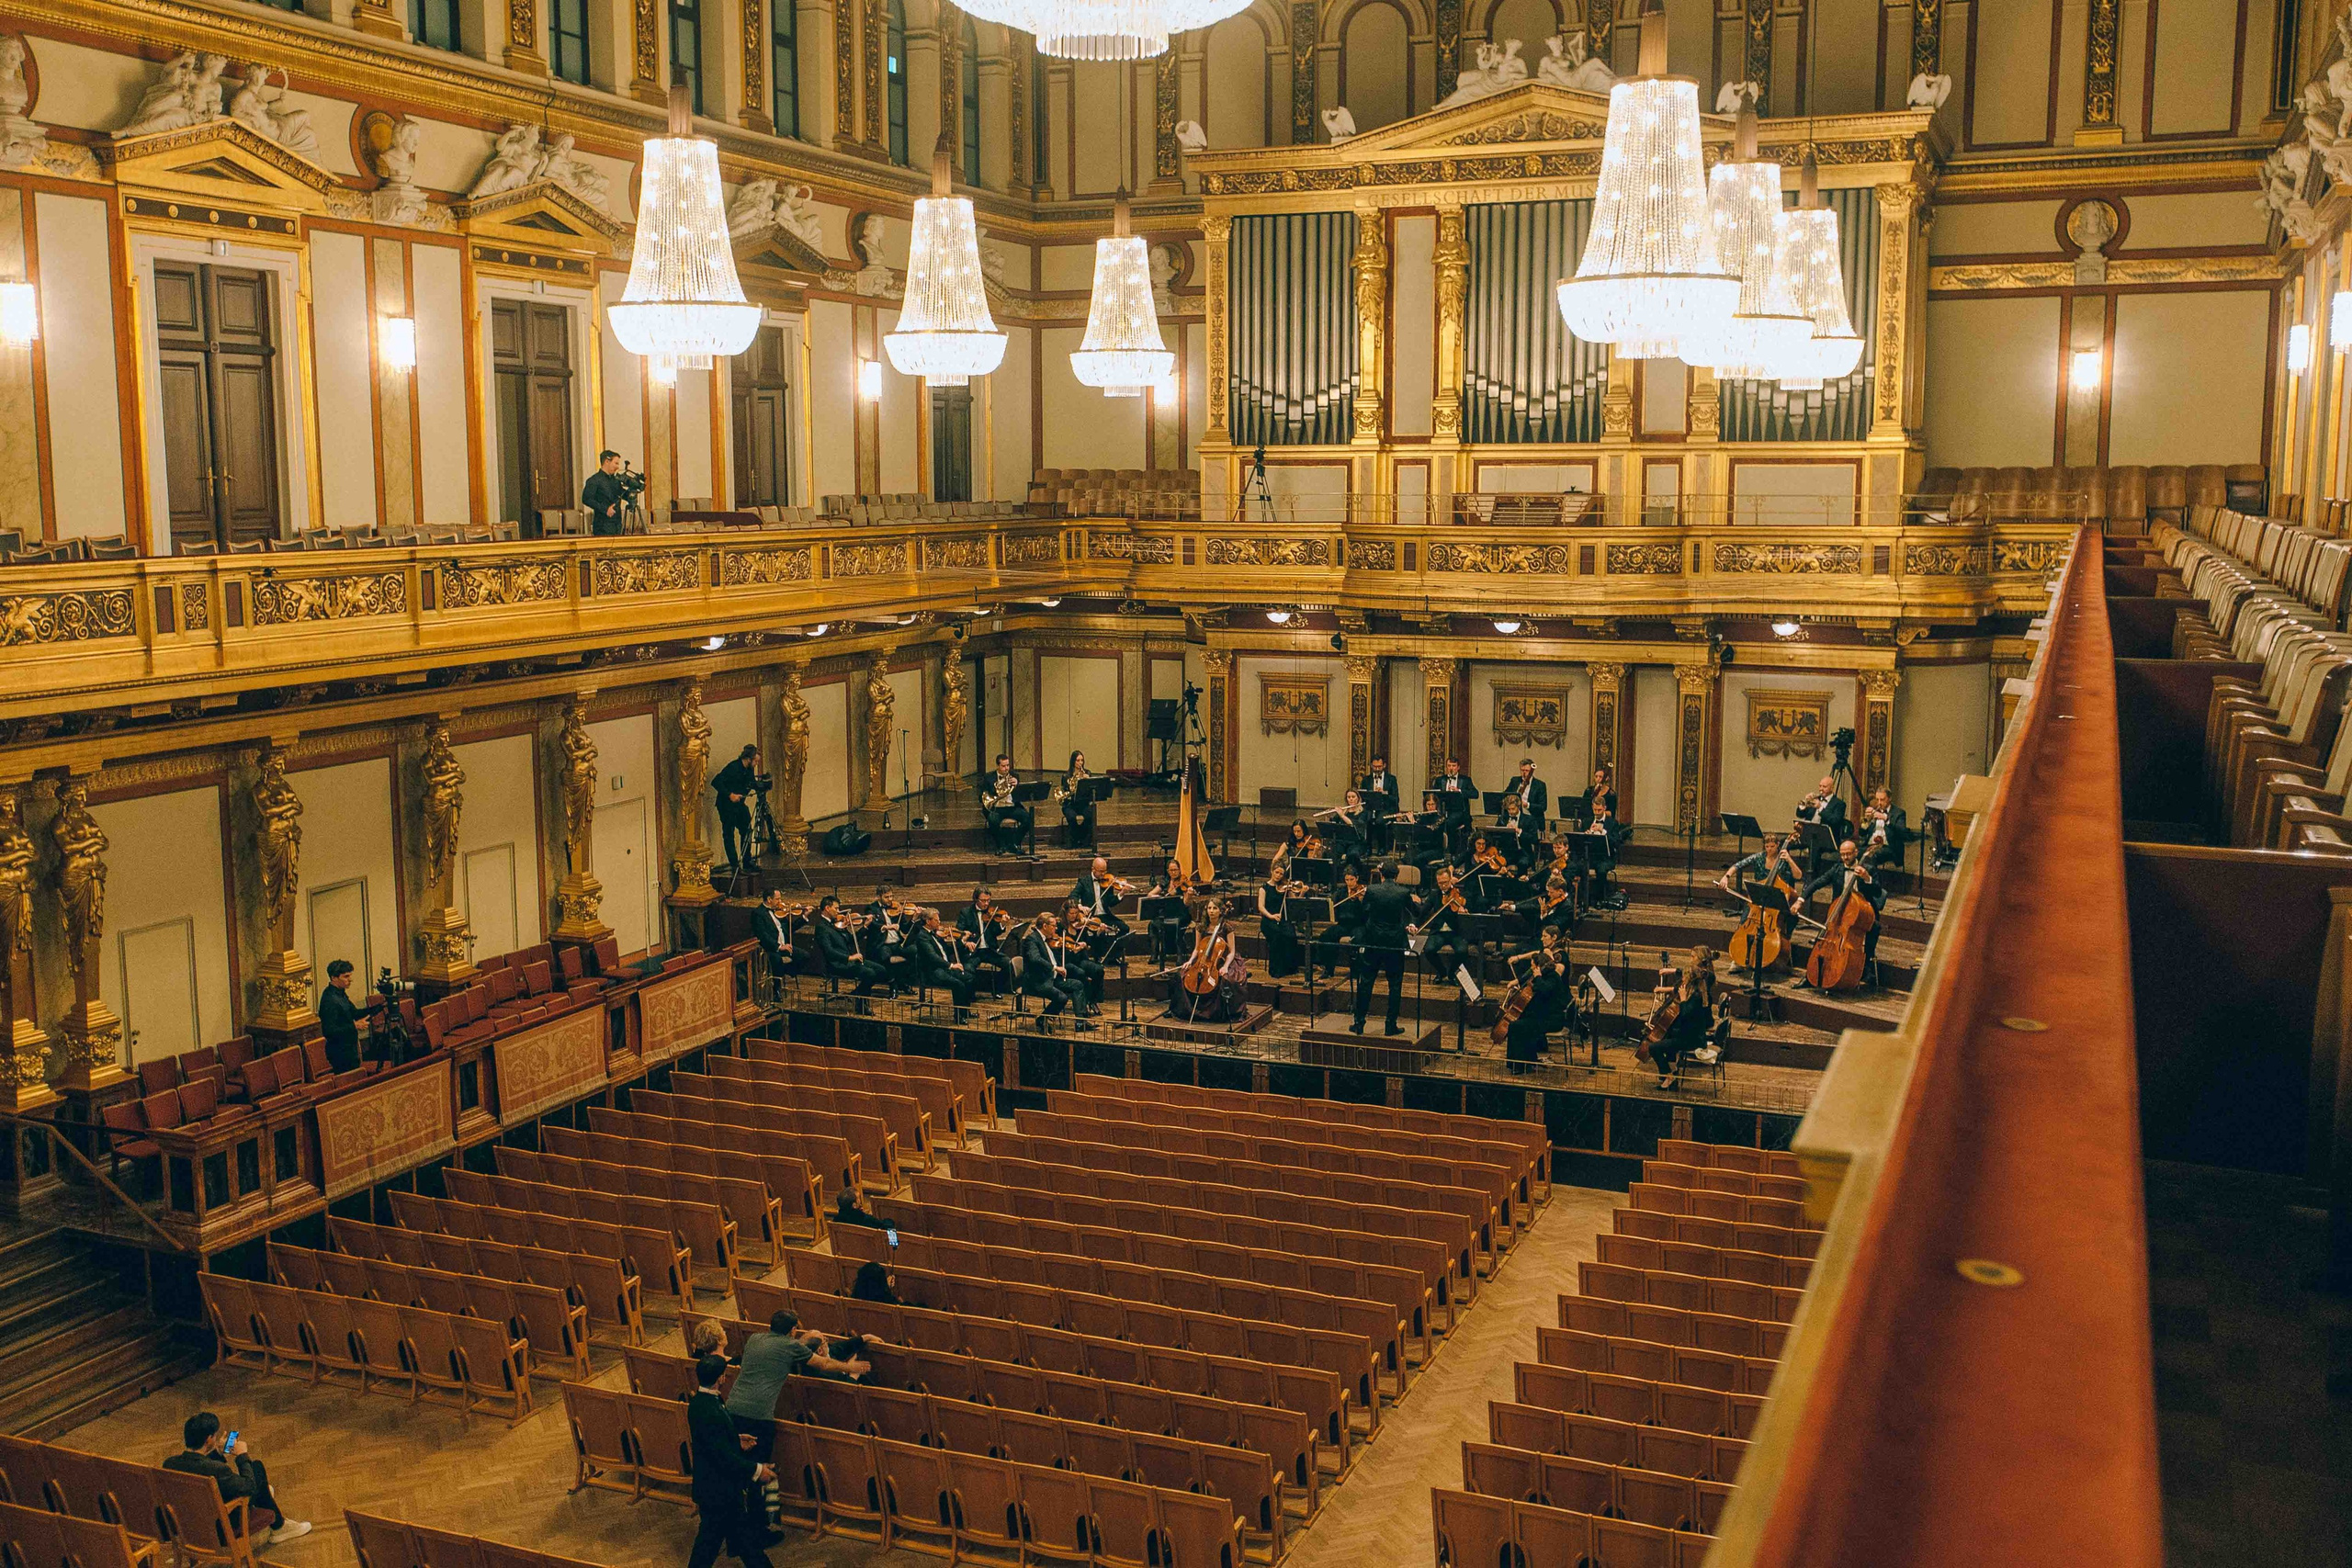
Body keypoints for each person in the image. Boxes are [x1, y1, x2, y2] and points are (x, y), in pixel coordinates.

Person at [164, 1414, 310, 1547]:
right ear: (209, 1439)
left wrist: (218, 1453)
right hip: (220, 1526)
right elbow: (249, 1487)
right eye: (214, 1436)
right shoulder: (218, 1470)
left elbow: (197, 1466)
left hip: (188, 1524)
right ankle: (279, 1526)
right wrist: (242, 1456)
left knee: (260, 1485)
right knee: (256, 1469)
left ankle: (271, 1508)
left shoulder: (170, 1464)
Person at [691, 1355, 777, 1568]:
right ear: (721, 1378)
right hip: (719, 1492)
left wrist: (735, 1440)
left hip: (717, 1490)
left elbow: (712, 1441)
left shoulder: (700, 1402)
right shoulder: (710, 1408)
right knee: (709, 1546)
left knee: (744, 1543)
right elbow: (722, 1456)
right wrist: (758, 1470)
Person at [1799, 839, 1887, 981]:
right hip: (1840, 912)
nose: (1845, 858)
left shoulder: (1869, 868)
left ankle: (1867, 966)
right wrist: (1801, 899)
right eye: (1842, 855)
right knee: (1823, 934)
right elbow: (1817, 883)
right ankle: (1810, 976)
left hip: (1864, 912)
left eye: (1848, 854)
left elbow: (1878, 892)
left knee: (1875, 928)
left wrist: (1867, 878)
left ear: (1856, 853)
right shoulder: (1837, 869)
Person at [1350, 860, 1414, 1036]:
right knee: (1395, 985)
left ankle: (1359, 1023)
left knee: (1366, 982)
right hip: (1394, 942)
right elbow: (1414, 911)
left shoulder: (1372, 890)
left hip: (1373, 941)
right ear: (1397, 875)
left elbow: (1364, 912)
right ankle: (1390, 1025)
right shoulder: (1403, 892)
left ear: (1382, 875)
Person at [1506, 927, 1571, 1072]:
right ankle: (1522, 1062)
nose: (1532, 970)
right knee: (1517, 1023)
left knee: (1518, 1026)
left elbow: (1545, 990)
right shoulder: (1544, 974)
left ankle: (1522, 1065)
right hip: (1544, 1015)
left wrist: (1538, 977)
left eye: (1533, 968)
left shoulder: (1552, 977)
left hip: (1553, 1019)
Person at [811, 896, 891, 997]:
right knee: (869, 973)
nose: (838, 911)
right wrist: (849, 957)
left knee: (881, 970)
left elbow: (850, 940)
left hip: (849, 961)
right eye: (836, 908)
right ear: (827, 908)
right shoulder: (821, 927)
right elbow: (829, 951)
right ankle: (861, 1003)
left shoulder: (836, 924)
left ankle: (856, 994)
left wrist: (865, 926)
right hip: (837, 964)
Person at [1020, 912, 1091, 1021]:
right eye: (1053, 925)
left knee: (1078, 985)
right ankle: (1042, 1020)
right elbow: (1035, 959)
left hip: (1051, 978)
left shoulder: (1046, 939)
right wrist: (1055, 968)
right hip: (1038, 981)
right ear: (1045, 926)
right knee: (1062, 997)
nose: (1056, 928)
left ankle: (1081, 1022)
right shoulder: (1032, 940)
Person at [912, 908, 977, 1017]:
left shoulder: (936, 935)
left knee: (969, 978)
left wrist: (962, 942)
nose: (939, 922)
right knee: (958, 984)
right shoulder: (922, 937)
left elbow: (948, 950)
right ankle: (959, 1016)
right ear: (928, 921)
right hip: (933, 972)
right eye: (936, 920)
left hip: (944, 969)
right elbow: (933, 957)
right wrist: (951, 965)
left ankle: (965, 1012)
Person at [956, 888, 1017, 995]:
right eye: (983, 900)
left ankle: (997, 988)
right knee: (968, 969)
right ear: (975, 899)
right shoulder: (966, 912)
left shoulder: (992, 913)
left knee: (1009, 964)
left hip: (989, 950)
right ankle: (970, 995)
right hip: (974, 951)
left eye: (988, 900)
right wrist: (966, 942)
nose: (986, 903)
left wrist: (1002, 924)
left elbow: (995, 932)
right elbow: (958, 932)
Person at [711, 744, 760, 875]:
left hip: (739, 805)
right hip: (726, 805)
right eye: (755, 761)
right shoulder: (733, 767)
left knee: (747, 830)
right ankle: (734, 865)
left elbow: (751, 783)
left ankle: (747, 860)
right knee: (729, 833)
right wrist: (730, 794)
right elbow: (716, 781)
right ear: (748, 759)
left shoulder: (749, 770)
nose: (756, 764)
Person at [1070, 856, 1132, 946]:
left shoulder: (1108, 882)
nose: (1103, 874)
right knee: (1098, 933)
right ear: (1093, 869)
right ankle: (1097, 957)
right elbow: (1073, 895)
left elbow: (1111, 902)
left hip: (1105, 916)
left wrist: (1121, 893)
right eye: (1101, 871)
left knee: (1124, 928)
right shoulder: (1084, 881)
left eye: (1105, 871)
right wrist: (1080, 906)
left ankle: (1112, 954)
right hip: (1090, 917)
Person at [317, 959, 364, 1074]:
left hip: (350, 1049)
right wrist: (354, 1026)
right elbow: (329, 1031)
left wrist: (380, 1006)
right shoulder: (330, 1000)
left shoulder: (340, 993)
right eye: (346, 976)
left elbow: (355, 1013)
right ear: (334, 978)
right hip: (340, 1052)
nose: (350, 980)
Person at [980, 755, 1033, 855]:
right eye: (1003, 766)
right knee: (992, 820)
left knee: (1028, 819)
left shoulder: (1014, 776)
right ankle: (1000, 846)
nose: (1006, 768)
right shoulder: (989, 777)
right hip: (997, 808)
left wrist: (1017, 784)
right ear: (998, 766)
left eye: (1008, 765)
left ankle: (1014, 843)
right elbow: (982, 796)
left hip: (1012, 807)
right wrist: (996, 790)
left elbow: (1020, 794)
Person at [752, 890, 796, 990]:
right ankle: (776, 989)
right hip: (770, 949)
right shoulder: (758, 913)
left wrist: (804, 917)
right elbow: (763, 936)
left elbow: (790, 928)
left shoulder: (778, 911)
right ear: (769, 899)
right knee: (777, 960)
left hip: (784, 946)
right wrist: (779, 947)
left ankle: (786, 972)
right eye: (777, 899)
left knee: (804, 956)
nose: (780, 901)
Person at [1859, 788, 1909, 874]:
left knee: (1872, 856)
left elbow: (1903, 832)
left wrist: (1886, 819)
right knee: (1854, 852)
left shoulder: (1899, 813)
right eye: (1877, 799)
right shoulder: (1874, 811)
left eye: (1882, 800)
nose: (1879, 803)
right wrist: (1867, 822)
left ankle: (1872, 882)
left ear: (1889, 799)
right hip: (1871, 845)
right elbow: (1862, 834)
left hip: (1889, 847)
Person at [582, 449, 630, 537]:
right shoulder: (594, 480)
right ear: (607, 462)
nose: (617, 467)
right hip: (602, 526)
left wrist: (633, 491)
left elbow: (622, 494)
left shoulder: (615, 481)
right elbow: (586, 499)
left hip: (617, 524)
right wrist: (605, 509)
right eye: (616, 463)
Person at [1432, 759, 1476, 854]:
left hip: (1460, 813)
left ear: (1458, 767)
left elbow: (1475, 794)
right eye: (1449, 766)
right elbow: (1434, 794)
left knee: (1449, 823)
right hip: (1443, 811)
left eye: (1453, 766)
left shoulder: (1465, 780)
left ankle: (1452, 853)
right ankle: (1437, 852)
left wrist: (1460, 791)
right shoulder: (1440, 780)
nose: (1451, 768)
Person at [1360, 755, 1402, 852]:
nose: (1377, 769)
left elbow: (1396, 799)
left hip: (1386, 808)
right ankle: (1367, 848)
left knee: (1380, 821)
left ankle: (1382, 848)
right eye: (1375, 767)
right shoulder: (1366, 780)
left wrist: (1384, 794)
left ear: (1384, 765)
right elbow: (1362, 797)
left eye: (1379, 766)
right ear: (1371, 766)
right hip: (1371, 808)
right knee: (1366, 819)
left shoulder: (1391, 779)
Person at [1059, 750, 1098, 848]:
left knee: (1090, 815)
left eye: (1082, 760)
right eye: (1078, 760)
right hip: (1070, 804)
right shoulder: (1066, 776)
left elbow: (1089, 791)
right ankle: (1075, 840)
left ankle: (1084, 840)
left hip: (1082, 803)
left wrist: (1087, 781)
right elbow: (1066, 792)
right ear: (1073, 761)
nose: (1080, 763)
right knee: (1071, 817)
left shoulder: (1087, 773)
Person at [1505, 758, 1550, 832]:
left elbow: (1543, 807)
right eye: (1522, 770)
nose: (1524, 773)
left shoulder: (1540, 785)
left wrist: (1527, 805)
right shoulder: (1514, 781)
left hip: (1532, 820)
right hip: (1516, 818)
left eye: (1527, 771)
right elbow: (1506, 795)